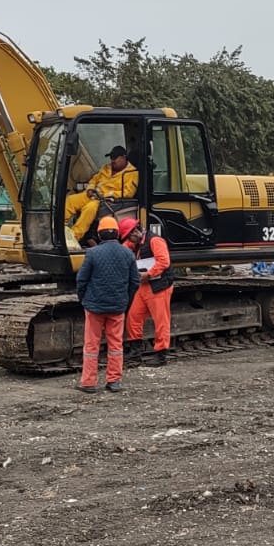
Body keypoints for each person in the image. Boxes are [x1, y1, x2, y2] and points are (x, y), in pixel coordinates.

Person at [74, 215, 138, 394]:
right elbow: (134, 281)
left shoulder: (92, 253)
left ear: (100, 234)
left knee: (91, 346)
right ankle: (114, 381)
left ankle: (88, 382)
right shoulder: (128, 253)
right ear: (117, 234)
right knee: (116, 345)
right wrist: (126, 301)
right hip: (117, 307)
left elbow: (81, 280)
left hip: (94, 307)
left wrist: (83, 299)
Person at [120, 216, 172, 367]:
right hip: (144, 285)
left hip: (159, 286)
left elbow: (164, 261)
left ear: (135, 232)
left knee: (161, 321)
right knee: (133, 317)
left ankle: (161, 355)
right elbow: (125, 247)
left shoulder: (155, 240)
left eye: (128, 237)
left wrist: (148, 274)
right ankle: (135, 352)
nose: (128, 240)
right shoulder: (135, 242)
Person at [63, 146, 139, 243]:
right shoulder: (106, 168)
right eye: (111, 158)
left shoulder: (132, 173)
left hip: (106, 200)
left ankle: (74, 236)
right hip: (93, 194)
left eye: (115, 158)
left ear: (124, 157)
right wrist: (90, 189)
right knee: (70, 200)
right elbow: (94, 180)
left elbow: (128, 192)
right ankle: (60, 228)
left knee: (89, 209)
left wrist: (105, 195)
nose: (112, 160)